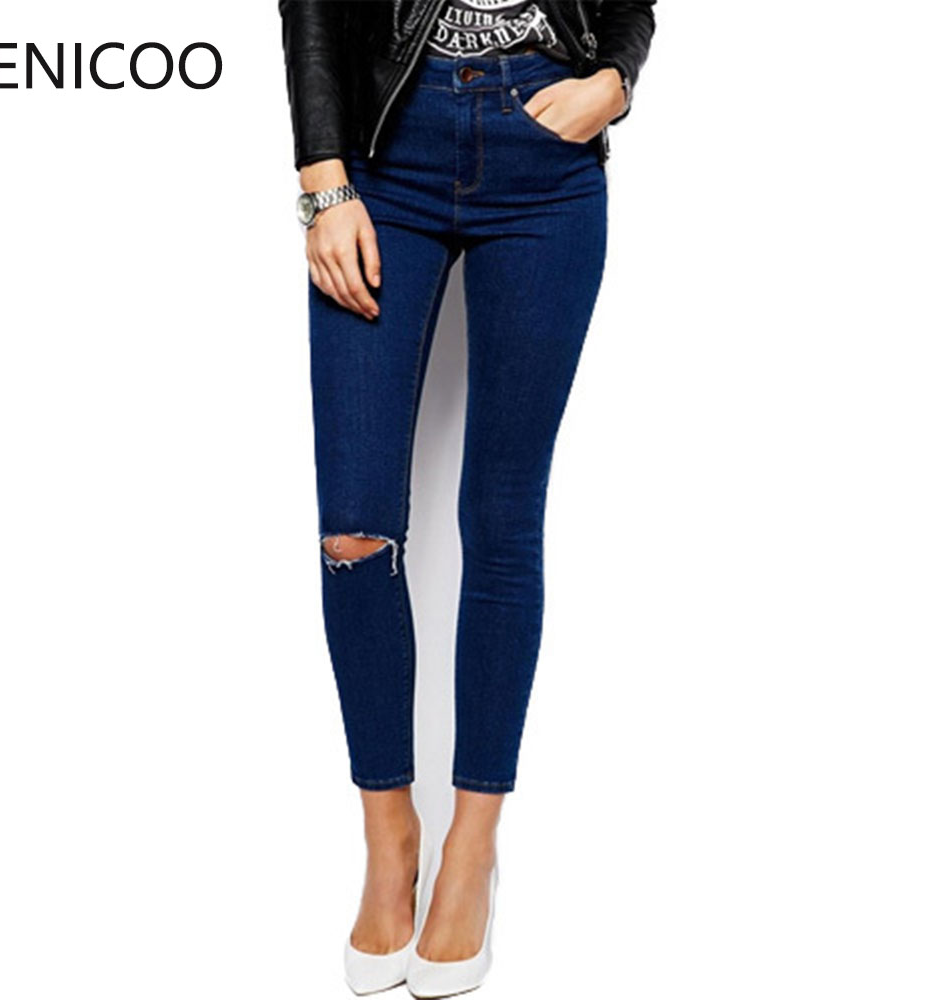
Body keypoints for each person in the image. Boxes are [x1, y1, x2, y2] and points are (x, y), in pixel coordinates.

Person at [278, 1, 656, 994]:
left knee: (500, 519)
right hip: (385, 153)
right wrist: (322, 181)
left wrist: (613, 81)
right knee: (354, 530)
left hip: (546, 163)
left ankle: (472, 850)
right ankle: (390, 836)